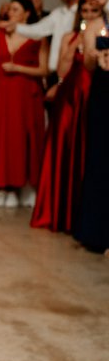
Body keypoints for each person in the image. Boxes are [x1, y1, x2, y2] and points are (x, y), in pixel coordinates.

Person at [30, 0, 102, 232]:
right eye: (85, 10)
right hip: (71, 95)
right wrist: (73, 46)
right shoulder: (68, 37)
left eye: (93, 11)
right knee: (64, 147)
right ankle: (59, 211)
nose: (88, 15)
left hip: (92, 95)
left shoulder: (102, 35)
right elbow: (62, 70)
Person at [0, 0, 48, 208]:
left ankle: (26, 185)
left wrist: (18, 69)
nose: (11, 13)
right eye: (9, 9)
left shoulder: (38, 37)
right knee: (2, 139)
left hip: (25, 94)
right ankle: (3, 186)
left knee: (23, 138)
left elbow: (44, 69)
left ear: (27, 13)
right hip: (1, 95)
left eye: (16, 9)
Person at [1, 0, 89, 85]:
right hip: (55, 74)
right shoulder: (58, 13)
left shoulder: (87, 13)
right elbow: (38, 30)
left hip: (76, 74)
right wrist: (15, 27)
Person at [74, 16, 109, 253]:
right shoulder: (98, 24)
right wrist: (96, 55)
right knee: (101, 161)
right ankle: (97, 232)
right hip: (104, 94)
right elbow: (87, 63)